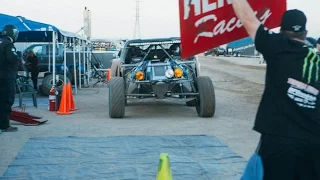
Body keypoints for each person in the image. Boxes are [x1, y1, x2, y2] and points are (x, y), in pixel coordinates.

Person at [232, 1, 320, 179]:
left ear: (281, 31)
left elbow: (248, 19)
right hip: (314, 145)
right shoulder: (316, 60)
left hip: (278, 143)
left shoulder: (276, 46)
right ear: (306, 33)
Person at [0, 24, 20, 132]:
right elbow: (12, 58)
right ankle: (4, 125)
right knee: (7, 101)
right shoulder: (8, 44)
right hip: (7, 77)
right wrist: (19, 59)